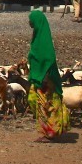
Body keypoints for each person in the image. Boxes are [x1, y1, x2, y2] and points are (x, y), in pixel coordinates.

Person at [27, 9, 70, 141]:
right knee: (35, 101)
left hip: (45, 79)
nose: (29, 22)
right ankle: (48, 130)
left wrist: (45, 78)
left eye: (31, 20)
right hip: (39, 78)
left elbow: (48, 59)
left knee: (47, 105)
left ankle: (51, 132)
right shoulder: (38, 36)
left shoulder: (43, 41)